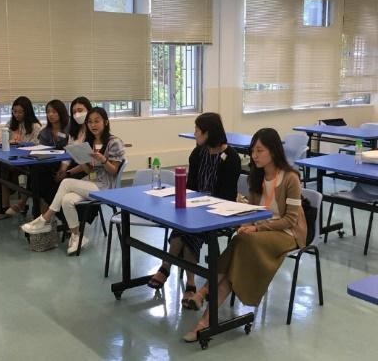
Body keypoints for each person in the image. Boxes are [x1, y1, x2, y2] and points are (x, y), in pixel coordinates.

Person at [183, 128, 307, 342]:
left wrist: (256, 228)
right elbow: (253, 210)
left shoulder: (291, 178)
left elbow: (291, 220)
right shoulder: (257, 176)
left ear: (274, 151)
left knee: (242, 240)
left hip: (286, 233)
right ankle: (204, 322)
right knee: (239, 248)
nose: (254, 155)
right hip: (258, 233)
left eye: (260, 150)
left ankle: (203, 294)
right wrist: (245, 223)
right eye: (252, 151)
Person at [146, 112, 241, 309]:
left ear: (208, 133)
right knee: (184, 228)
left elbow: (227, 196)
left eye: (198, 130)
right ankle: (189, 283)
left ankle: (166, 268)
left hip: (218, 212)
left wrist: (203, 205)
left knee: (186, 232)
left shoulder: (230, 158)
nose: (195, 133)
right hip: (196, 206)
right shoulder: (198, 153)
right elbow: (190, 187)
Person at [21, 107, 125, 255]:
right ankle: (77, 237)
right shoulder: (89, 141)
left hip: (107, 187)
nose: (93, 125)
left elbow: (113, 171)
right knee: (66, 200)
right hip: (92, 182)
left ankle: (45, 219)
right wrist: (81, 159)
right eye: (90, 122)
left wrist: (103, 160)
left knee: (67, 182)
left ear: (106, 122)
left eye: (97, 121)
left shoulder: (114, 142)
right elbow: (89, 171)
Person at [34, 99, 71, 213]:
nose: (50, 114)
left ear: (61, 113)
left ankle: (45, 213)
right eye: (48, 111)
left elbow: (71, 150)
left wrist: (62, 168)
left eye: (54, 112)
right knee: (36, 172)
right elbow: (42, 151)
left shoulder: (70, 128)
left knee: (42, 176)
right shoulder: (45, 131)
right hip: (50, 164)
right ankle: (44, 212)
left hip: (68, 163)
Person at [54, 96, 92, 182]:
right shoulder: (74, 131)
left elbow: (91, 164)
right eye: (74, 112)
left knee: (65, 181)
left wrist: (68, 173)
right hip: (76, 164)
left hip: (88, 170)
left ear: (89, 110)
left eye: (80, 110)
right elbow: (69, 152)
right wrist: (63, 170)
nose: (77, 114)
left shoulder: (94, 131)